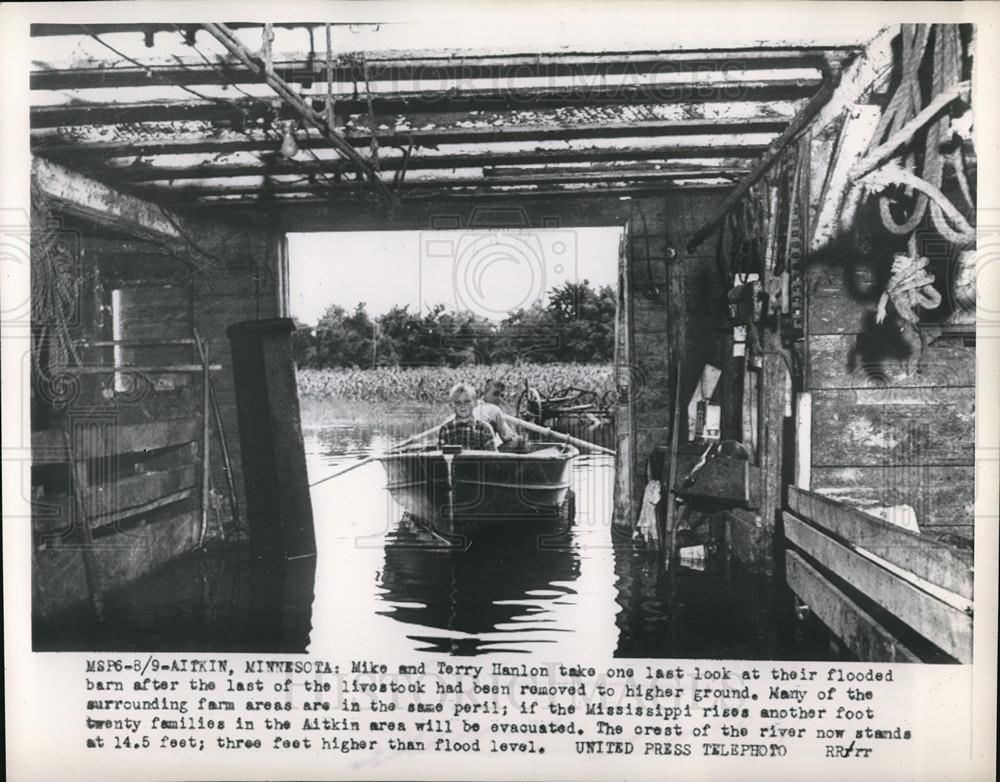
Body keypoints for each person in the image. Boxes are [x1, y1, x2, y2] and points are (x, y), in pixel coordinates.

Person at [438, 382, 496, 451]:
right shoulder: (445, 429)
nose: (462, 406)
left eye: (467, 401)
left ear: (475, 403)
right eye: (457, 402)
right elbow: (441, 458)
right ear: (452, 405)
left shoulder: (484, 429)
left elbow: (492, 458)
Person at [476, 379, 527, 452]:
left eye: (502, 396)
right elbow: (508, 437)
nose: (499, 399)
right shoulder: (495, 409)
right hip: (485, 453)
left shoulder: (471, 405)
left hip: (469, 450)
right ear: (485, 393)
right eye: (495, 394)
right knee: (520, 441)